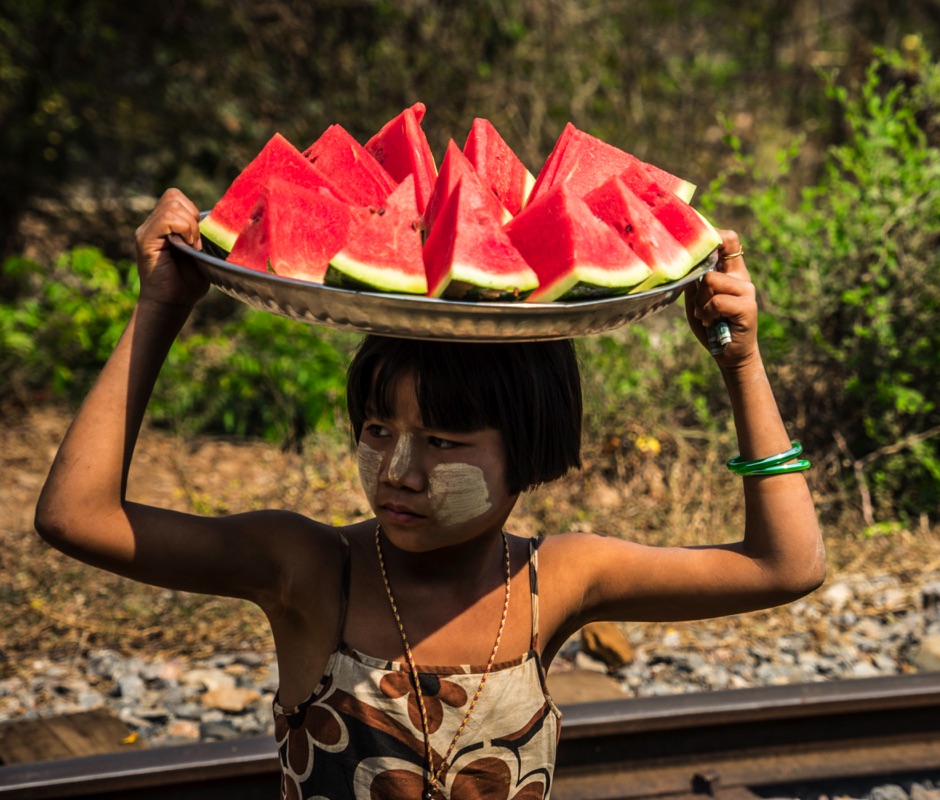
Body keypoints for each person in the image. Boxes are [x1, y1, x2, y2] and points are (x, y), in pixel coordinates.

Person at [35, 188, 825, 800]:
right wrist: (161, 309)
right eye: (377, 429)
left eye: (443, 441)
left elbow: (785, 565)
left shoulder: (559, 580)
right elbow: (77, 518)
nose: (398, 470)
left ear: (531, 451)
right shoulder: (308, 569)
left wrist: (742, 366)